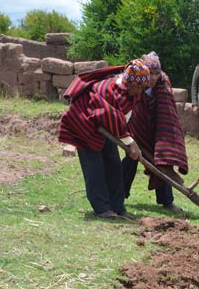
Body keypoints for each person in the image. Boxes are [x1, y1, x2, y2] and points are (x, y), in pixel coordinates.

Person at [58, 59, 150, 219]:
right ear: (131, 84)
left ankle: (118, 207)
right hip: (84, 122)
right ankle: (102, 208)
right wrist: (130, 142)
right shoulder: (111, 90)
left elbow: (121, 120)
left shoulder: (130, 92)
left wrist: (129, 140)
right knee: (94, 168)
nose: (141, 91)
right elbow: (112, 117)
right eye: (139, 87)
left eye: (143, 88)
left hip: (105, 127)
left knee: (113, 165)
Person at [122, 52, 188, 214]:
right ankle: (118, 196)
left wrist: (164, 139)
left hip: (158, 130)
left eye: (156, 74)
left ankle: (167, 201)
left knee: (163, 161)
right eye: (150, 74)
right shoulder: (137, 81)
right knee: (130, 160)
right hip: (136, 129)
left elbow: (168, 113)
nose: (153, 77)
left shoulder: (163, 84)